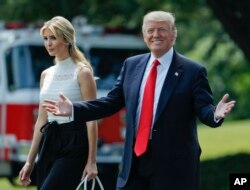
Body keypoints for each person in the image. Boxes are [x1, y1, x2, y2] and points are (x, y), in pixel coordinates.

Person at [43, 11, 236, 190]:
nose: (156, 34)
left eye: (162, 29)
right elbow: (110, 102)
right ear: (144, 35)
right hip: (135, 161)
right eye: (150, 30)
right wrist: (74, 109)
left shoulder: (193, 71)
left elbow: (204, 109)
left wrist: (215, 114)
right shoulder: (132, 65)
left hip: (174, 164)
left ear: (173, 34)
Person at [19, 16, 98, 190]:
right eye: (45, 38)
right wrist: (29, 162)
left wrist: (92, 161)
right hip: (50, 141)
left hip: (75, 141)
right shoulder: (46, 74)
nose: (48, 43)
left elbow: (92, 120)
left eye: (53, 38)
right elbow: (41, 120)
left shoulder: (83, 72)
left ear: (67, 39)